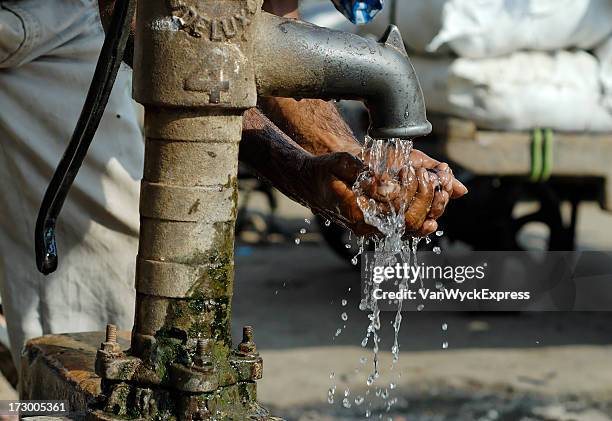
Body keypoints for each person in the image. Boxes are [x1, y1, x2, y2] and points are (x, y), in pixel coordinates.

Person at [0, 0, 466, 371]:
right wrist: (300, 173)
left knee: (94, 309)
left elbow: (253, 31)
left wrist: (357, 172)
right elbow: (159, 30)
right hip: (108, 14)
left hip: (55, 20)